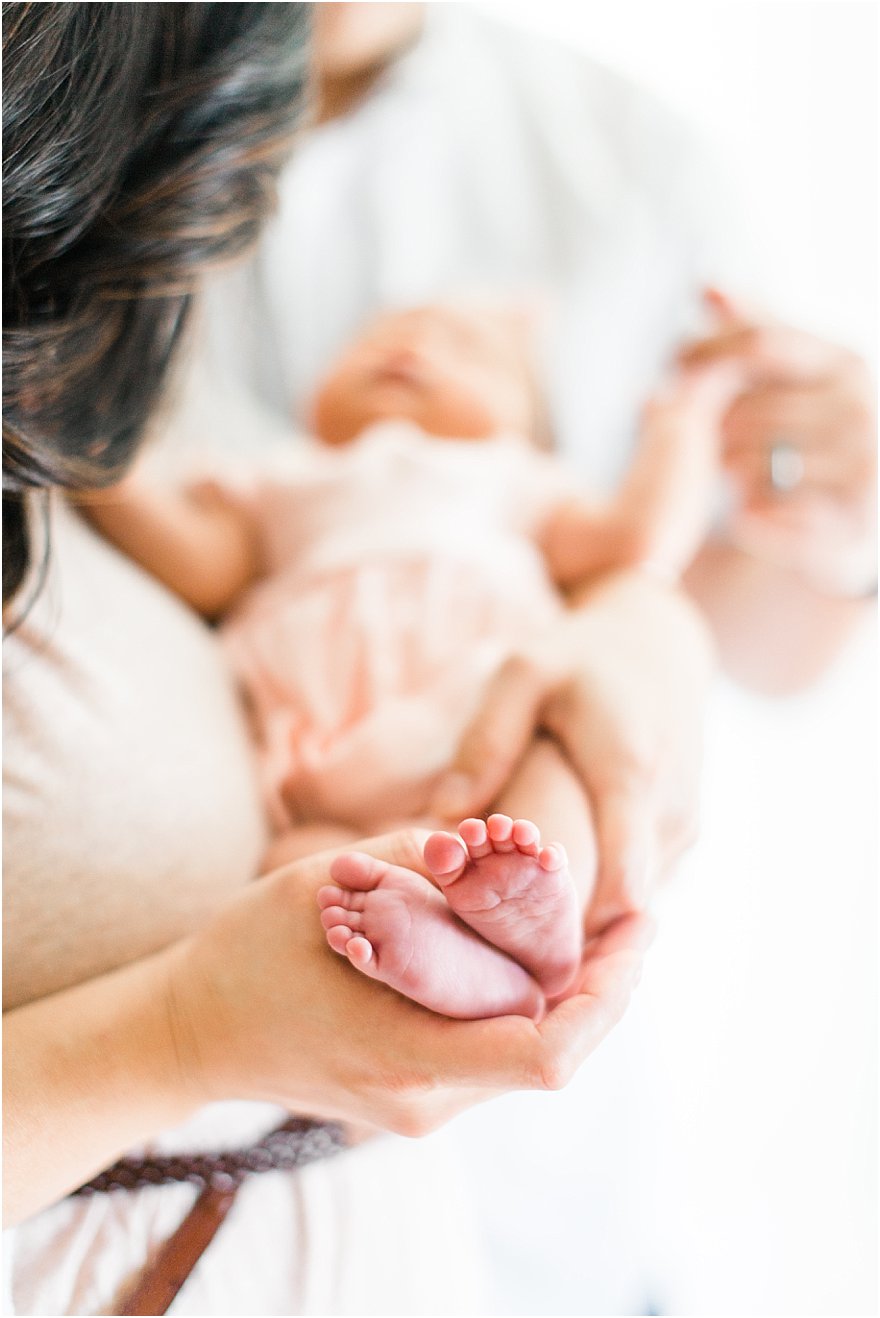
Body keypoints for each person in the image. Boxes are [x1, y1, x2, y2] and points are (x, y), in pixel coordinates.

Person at [162, 4, 875, 1312]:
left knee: (535, 769)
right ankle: (422, 933)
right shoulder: (52, 94)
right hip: (191, 1089)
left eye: (469, 352)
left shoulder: (621, 162)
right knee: (303, 887)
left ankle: (497, 930)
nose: (408, 352)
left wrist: (811, 498)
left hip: (529, 1212)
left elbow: (711, 597)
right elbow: (178, 518)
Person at [2, 7, 689, 1314]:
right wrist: (184, 1029)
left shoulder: (499, 483)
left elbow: (637, 557)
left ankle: (499, 933)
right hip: (322, 787)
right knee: (344, 873)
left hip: (457, 739)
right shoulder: (277, 478)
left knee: (480, 833)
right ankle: (459, 935)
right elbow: (188, 531)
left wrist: (641, 629)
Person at [81, 297, 739, 1023]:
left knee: (555, 784)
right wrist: (107, 466)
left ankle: (542, 919)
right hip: (317, 758)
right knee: (300, 870)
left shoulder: (514, 479)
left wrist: (685, 423)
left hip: (480, 715)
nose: (411, 346)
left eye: (466, 349)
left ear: (529, 425)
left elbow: (636, 539)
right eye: (376, 338)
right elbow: (206, 565)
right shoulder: (283, 474)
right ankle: (449, 961)